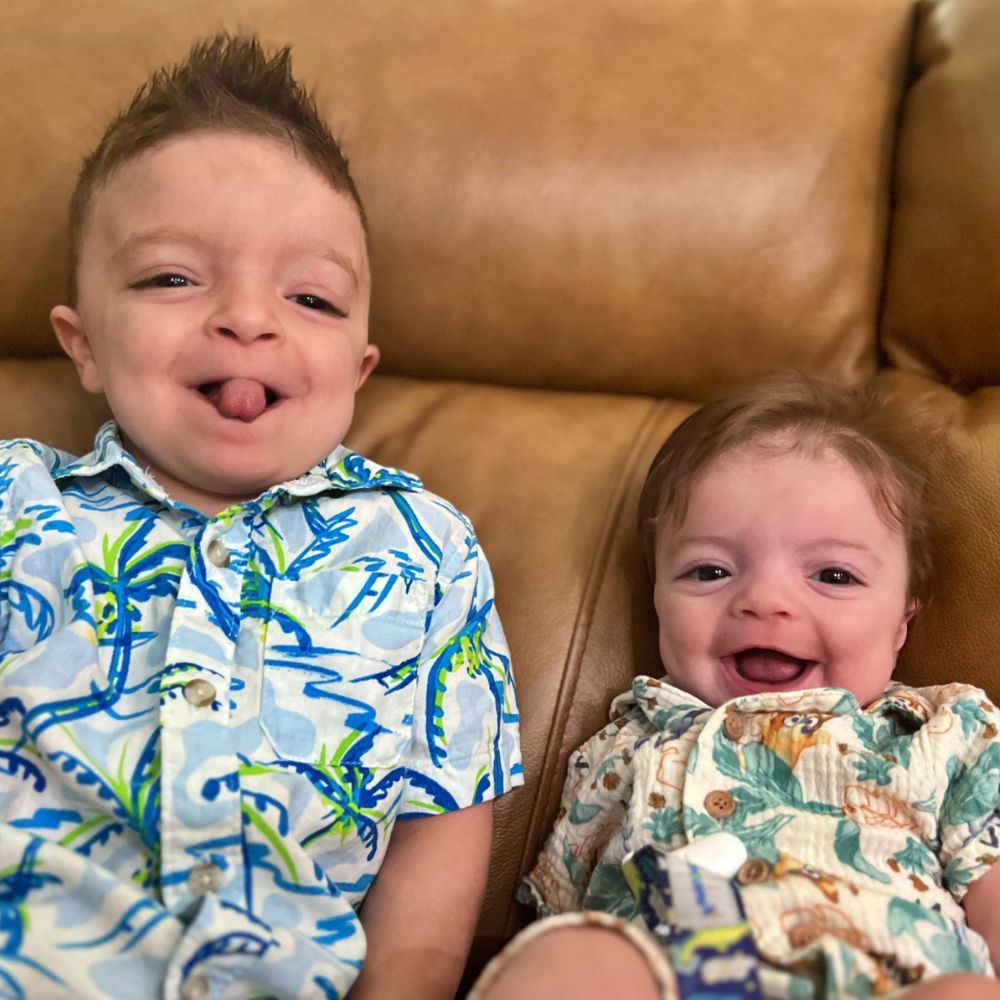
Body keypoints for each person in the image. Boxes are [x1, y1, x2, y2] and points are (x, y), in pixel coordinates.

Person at [0, 34, 521, 1000]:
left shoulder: (427, 550)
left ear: (360, 371)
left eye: (312, 297)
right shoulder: (16, 503)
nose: (249, 318)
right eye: (171, 277)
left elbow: (440, 830)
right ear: (83, 346)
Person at [471, 373, 1000, 1000]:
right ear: (658, 597)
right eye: (709, 570)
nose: (764, 600)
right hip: (680, 977)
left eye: (833, 574)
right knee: (572, 957)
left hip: (888, 980)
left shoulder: (944, 733)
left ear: (902, 621)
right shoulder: (625, 743)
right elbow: (564, 904)